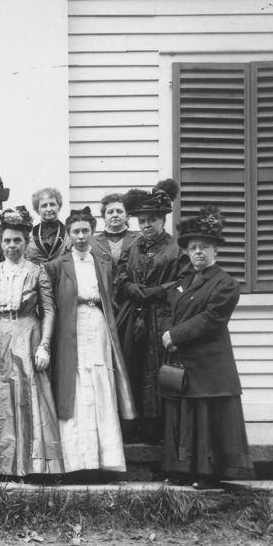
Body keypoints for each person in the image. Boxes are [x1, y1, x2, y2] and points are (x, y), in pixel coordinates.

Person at [161, 206, 254, 489]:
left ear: (216, 251)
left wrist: (175, 335)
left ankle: (208, 473)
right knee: (187, 414)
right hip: (185, 361)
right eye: (193, 248)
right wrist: (166, 330)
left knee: (207, 415)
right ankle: (184, 470)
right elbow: (169, 308)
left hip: (211, 363)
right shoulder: (183, 282)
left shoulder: (225, 284)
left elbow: (211, 319)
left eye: (205, 247)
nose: (198, 252)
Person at [45, 207, 135, 475]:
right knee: (75, 385)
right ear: (69, 235)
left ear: (92, 232)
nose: (82, 236)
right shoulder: (56, 266)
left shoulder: (104, 264)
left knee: (99, 383)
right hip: (70, 328)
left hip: (97, 324)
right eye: (76, 232)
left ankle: (104, 461)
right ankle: (75, 462)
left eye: (86, 231)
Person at [0, 206, 63, 478]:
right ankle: (0, 466)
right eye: (7, 240)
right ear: (0, 242)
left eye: (17, 241)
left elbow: (49, 309)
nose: (12, 246)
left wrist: (44, 345)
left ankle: (34, 464)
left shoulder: (37, 271)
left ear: (26, 243)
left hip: (28, 332)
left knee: (30, 395)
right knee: (0, 397)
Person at [115, 179, 187, 444]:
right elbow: (119, 276)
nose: (146, 226)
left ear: (162, 221)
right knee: (133, 368)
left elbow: (183, 284)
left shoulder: (177, 249)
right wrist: (131, 287)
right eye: (142, 221)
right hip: (134, 316)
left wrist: (157, 291)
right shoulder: (131, 247)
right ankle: (137, 428)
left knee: (160, 371)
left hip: (162, 317)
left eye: (152, 221)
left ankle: (162, 432)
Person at [92, 192, 139, 268]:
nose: (115, 215)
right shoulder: (93, 243)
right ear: (104, 217)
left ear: (127, 216)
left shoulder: (139, 240)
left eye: (119, 211)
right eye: (110, 212)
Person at [25, 187, 69, 264]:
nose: (49, 209)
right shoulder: (29, 234)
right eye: (44, 206)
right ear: (37, 210)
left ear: (58, 207)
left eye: (52, 204)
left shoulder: (68, 233)